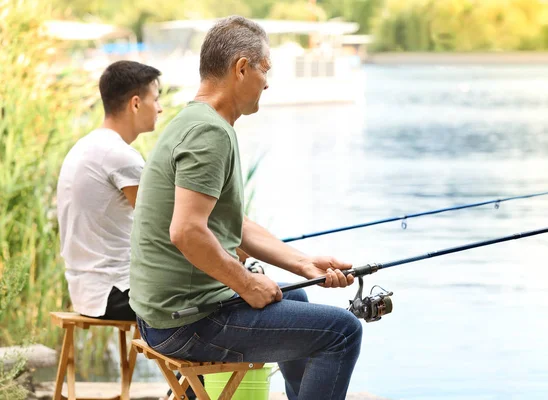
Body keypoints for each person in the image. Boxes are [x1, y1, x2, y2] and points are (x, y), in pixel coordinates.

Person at [129, 16, 363, 400]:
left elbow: (235, 225)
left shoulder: (194, 120)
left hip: (165, 313)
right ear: (241, 68)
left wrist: (303, 264)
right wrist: (247, 282)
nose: (267, 83)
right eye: (264, 69)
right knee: (342, 332)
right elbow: (187, 231)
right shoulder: (210, 134)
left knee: (298, 294)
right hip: (185, 323)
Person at [57, 60, 162, 321]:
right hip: (116, 293)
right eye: (156, 99)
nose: (159, 109)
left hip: (86, 292)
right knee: (217, 295)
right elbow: (162, 225)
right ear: (136, 103)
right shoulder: (120, 155)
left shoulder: (86, 145)